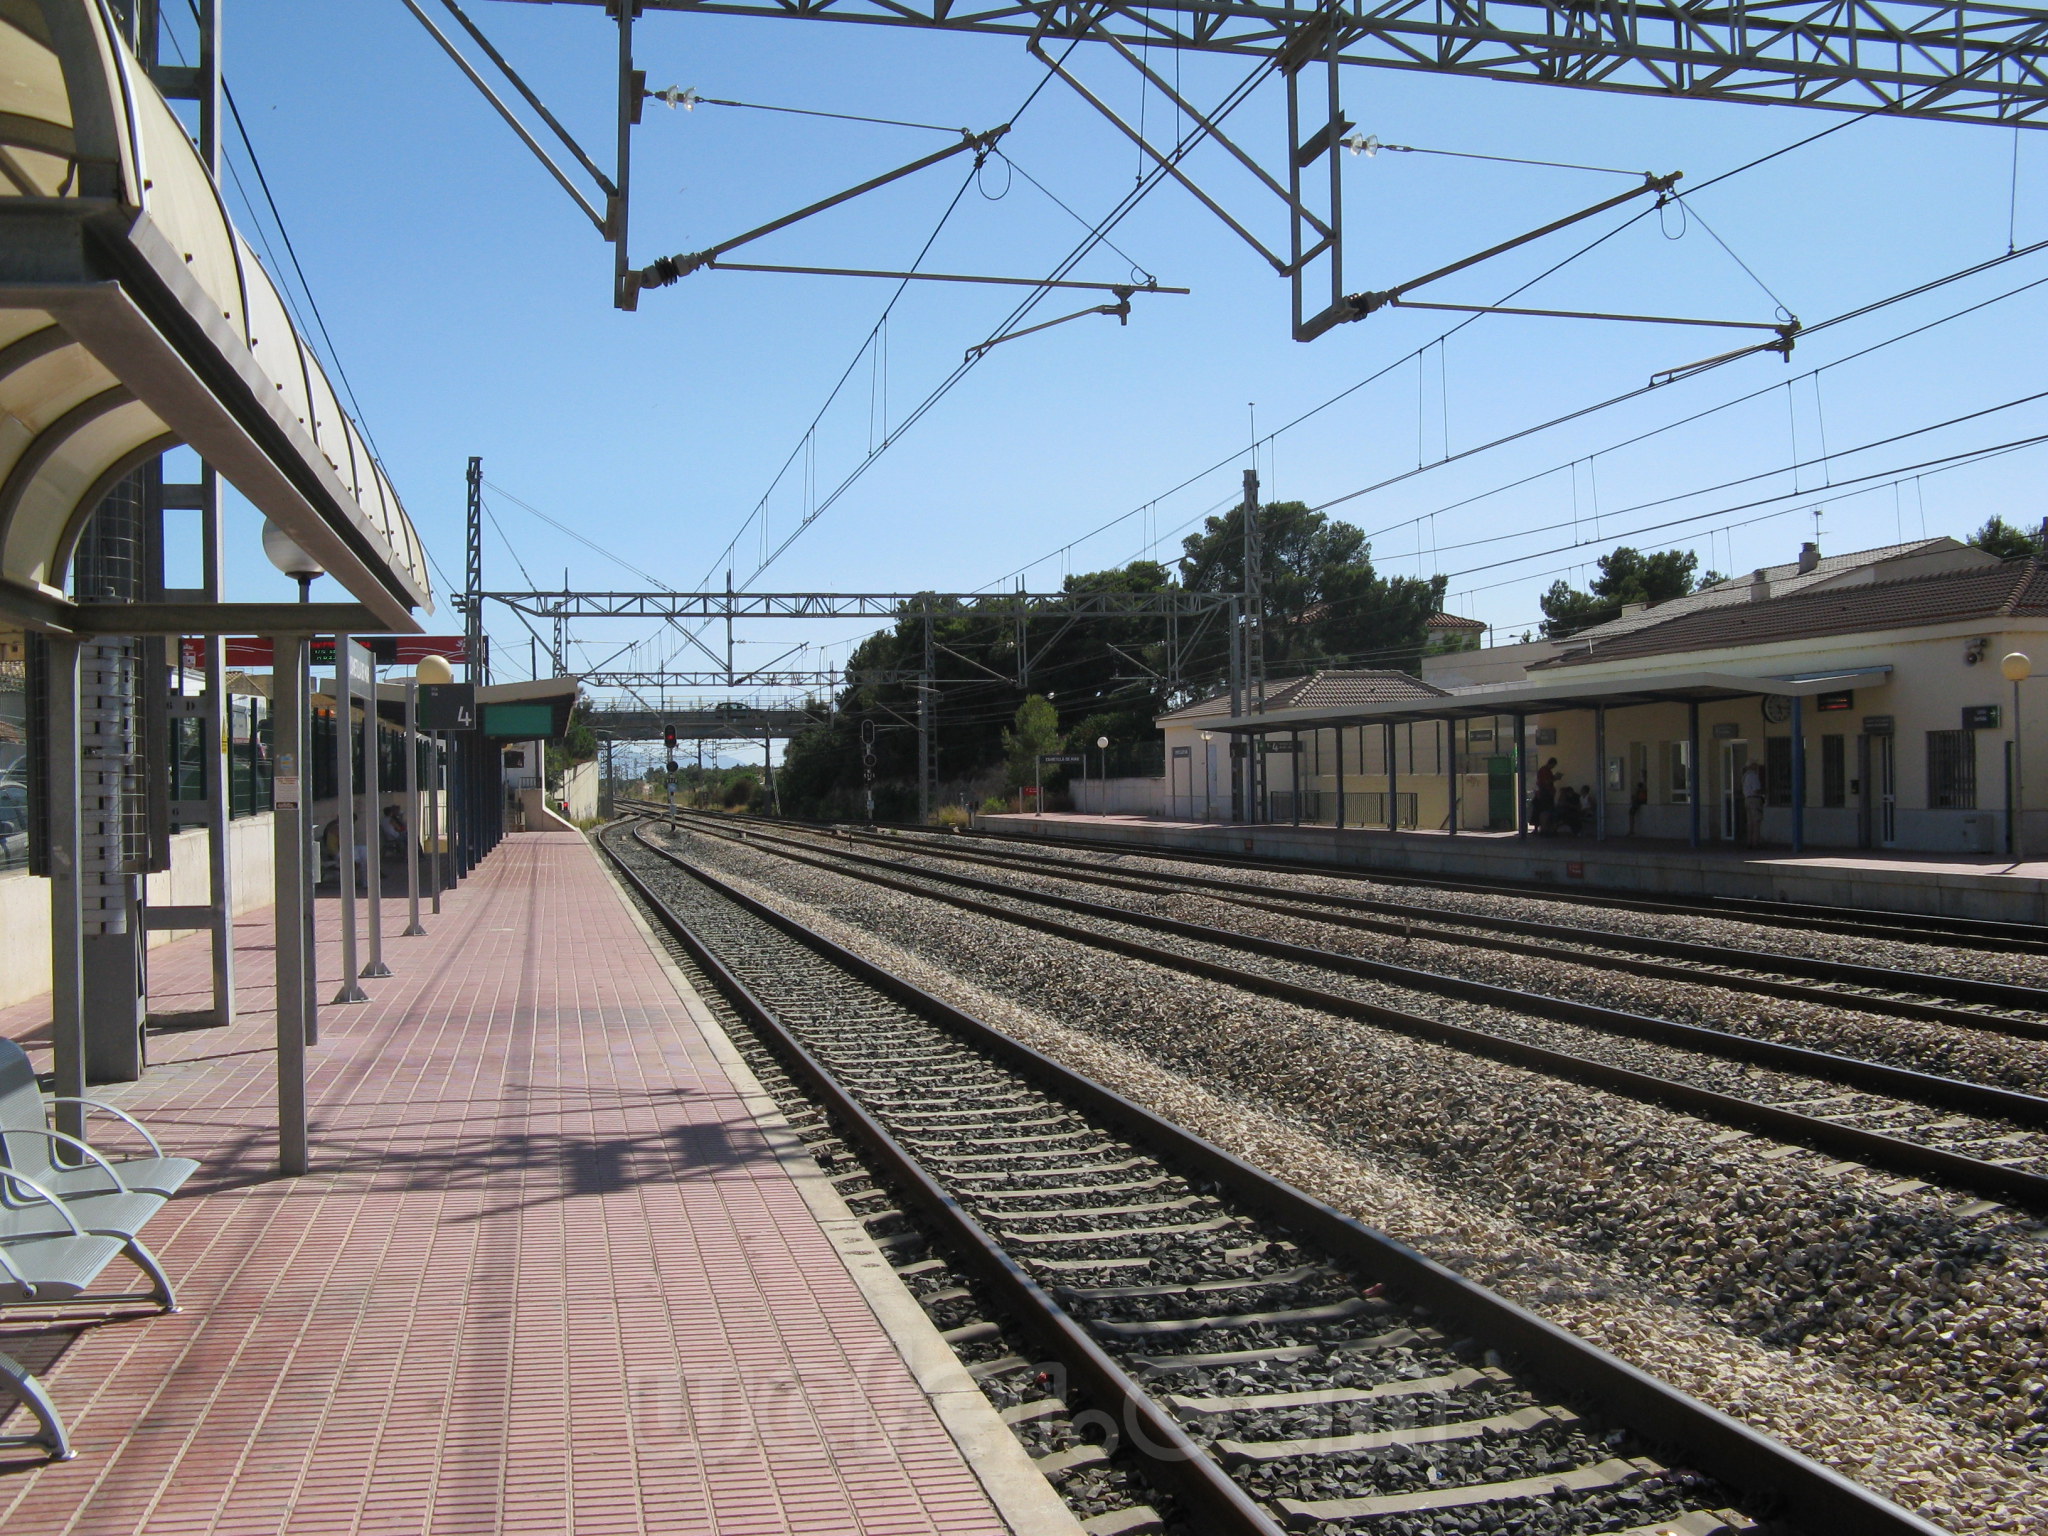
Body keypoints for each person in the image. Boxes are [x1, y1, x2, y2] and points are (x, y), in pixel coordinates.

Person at [1742, 759, 1767, 847]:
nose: (1757, 766)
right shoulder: (1753, 776)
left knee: (1750, 822)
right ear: (1752, 766)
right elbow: (1756, 790)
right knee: (1756, 822)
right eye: (1755, 765)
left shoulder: (1745, 776)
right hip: (1754, 800)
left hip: (1747, 799)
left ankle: (1749, 841)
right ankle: (1756, 842)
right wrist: (1764, 792)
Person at [1531, 756, 1559, 833]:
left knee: (1539, 810)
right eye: (1553, 765)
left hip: (1545, 793)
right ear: (1551, 763)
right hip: (1545, 794)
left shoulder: (1546, 771)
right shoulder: (1544, 771)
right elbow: (1546, 781)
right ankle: (1543, 828)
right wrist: (1554, 778)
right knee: (1544, 811)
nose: (1553, 767)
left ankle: (1541, 827)